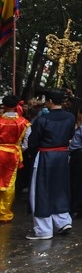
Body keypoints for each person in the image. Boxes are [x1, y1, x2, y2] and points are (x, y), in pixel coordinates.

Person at [26, 89, 75, 240]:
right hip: (62, 155)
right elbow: (70, 135)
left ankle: (43, 229)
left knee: (40, 191)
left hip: (46, 155)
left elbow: (33, 142)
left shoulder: (42, 119)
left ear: (51, 101)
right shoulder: (71, 117)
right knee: (60, 188)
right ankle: (63, 221)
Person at [0, 95, 30, 223]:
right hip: (13, 155)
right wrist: (17, 150)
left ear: (4, 106)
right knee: (9, 183)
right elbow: (26, 144)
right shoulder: (24, 123)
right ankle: (4, 212)